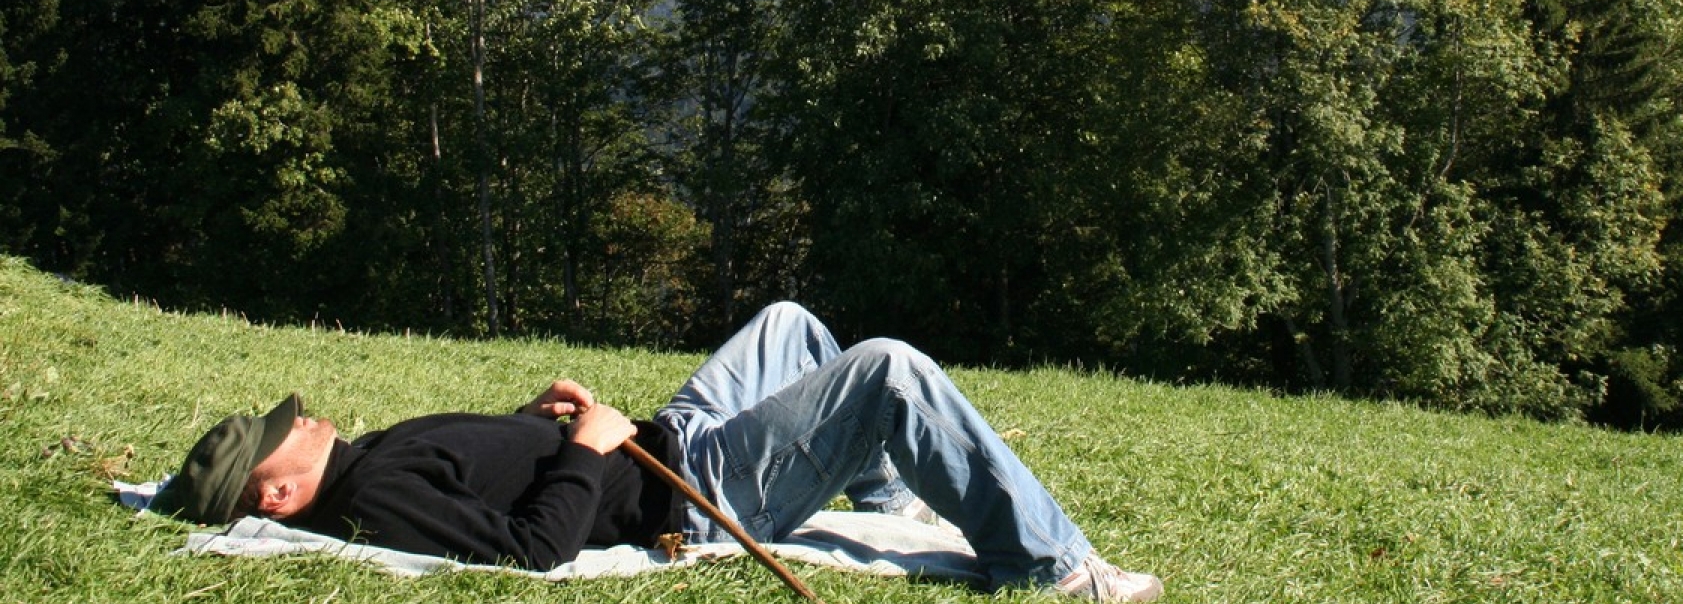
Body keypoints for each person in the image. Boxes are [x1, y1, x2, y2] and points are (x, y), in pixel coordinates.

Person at [152, 301, 1162, 601]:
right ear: (276, 498)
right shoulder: (374, 501)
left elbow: (494, 478)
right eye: (282, 438)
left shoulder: (367, 460)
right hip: (687, 489)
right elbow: (530, 551)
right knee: (888, 370)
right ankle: (1056, 568)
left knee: (788, 323)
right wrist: (587, 452)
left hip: (664, 435)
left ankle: (890, 502)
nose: (301, 421)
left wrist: (533, 421)